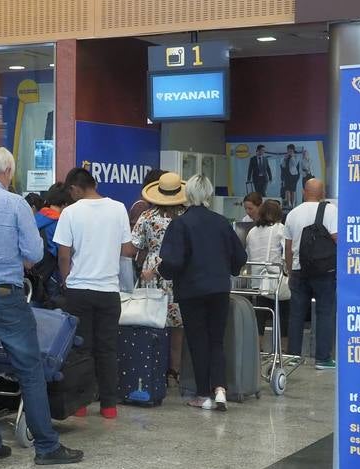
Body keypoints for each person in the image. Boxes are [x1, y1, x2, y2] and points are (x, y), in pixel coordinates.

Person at [0, 147, 84, 466]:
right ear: (8, 172)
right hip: (4, 296)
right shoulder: (14, 204)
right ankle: (47, 446)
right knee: (29, 368)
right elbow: (35, 253)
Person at [159, 175, 247, 410]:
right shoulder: (221, 222)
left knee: (198, 341)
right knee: (217, 340)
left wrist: (163, 270)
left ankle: (202, 394)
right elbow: (240, 256)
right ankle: (220, 389)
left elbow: (173, 262)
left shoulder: (180, 224)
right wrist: (229, 270)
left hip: (191, 290)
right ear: (209, 194)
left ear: (187, 195)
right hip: (219, 288)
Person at [54, 167, 134, 420]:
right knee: (108, 349)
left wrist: (66, 281)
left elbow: (64, 254)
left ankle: (80, 404)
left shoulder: (70, 212)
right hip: (109, 290)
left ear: (76, 188)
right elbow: (127, 250)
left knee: (81, 349)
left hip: (79, 290)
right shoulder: (119, 208)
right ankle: (109, 405)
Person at [131, 172, 188, 379]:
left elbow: (136, 245)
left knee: (153, 321)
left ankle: (153, 368)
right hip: (180, 272)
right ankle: (175, 370)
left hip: (151, 272)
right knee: (178, 326)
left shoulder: (147, 217)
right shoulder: (186, 216)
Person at [284, 178, 338, 370]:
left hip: (299, 271)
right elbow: (337, 238)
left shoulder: (292, 214)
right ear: (322, 193)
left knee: (296, 315)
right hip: (325, 271)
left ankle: (292, 356)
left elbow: (288, 248)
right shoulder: (331, 211)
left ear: (304, 192)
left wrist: (290, 272)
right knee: (325, 312)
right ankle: (322, 358)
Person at [244, 198, 288, 336]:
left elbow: (248, 255)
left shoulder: (252, 232)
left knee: (260, 318)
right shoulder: (280, 229)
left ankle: (259, 350)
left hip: (258, 281)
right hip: (275, 280)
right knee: (283, 317)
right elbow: (287, 252)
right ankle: (282, 350)